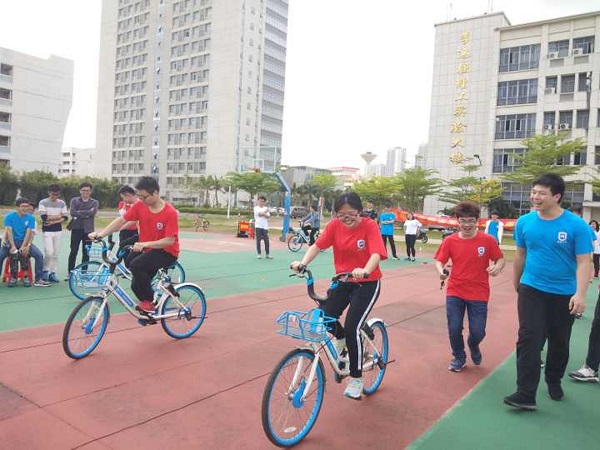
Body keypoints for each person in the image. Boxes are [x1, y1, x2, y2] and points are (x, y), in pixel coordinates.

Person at [504, 173, 591, 411]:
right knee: (528, 338)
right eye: (533, 192)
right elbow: (520, 254)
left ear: (557, 196)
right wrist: (517, 282)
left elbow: (584, 261)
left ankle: (553, 379)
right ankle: (525, 393)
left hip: (564, 293)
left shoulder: (576, 226)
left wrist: (580, 294)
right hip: (532, 288)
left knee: (559, 341)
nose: (535, 197)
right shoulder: (525, 222)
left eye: (542, 193)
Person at [291, 192, 387, 400]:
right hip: (344, 280)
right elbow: (317, 245)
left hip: (367, 283)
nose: (346, 218)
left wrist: (365, 270)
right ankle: (341, 338)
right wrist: (303, 263)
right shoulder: (335, 226)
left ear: (359, 211)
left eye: (351, 213)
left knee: (352, 326)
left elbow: (376, 254)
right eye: (341, 214)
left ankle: (356, 378)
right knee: (324, 316)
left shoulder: (369, 226)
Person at [89, 176, 179, 313]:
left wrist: (145, 244)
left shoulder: (169, 212)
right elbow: (121, 220)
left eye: (144, 197)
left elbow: (170, 240)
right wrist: (101, 234)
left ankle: (150, 303)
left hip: (167, 252)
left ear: (155, 192)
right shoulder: (140, 205)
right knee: (134, 281)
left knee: (136, 265)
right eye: (139, 197)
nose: (141, 200)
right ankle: (154, 302)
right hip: (149, 249)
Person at [435, 201, 505, 372]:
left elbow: (500, 259)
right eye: (463, 221)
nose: (467, 225)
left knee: (478, 331)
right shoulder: (450, 241)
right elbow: (439, 261)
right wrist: (441, 271)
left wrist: (497, 267)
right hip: (455, 290)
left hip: (479, 292)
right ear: (457, 221)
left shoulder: (487, 240)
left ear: (477, 221)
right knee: (454, 327)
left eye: (471, 221)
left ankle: (473, 344)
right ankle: (459, 357)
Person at [0, 198, 51, 287]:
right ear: (17, 207)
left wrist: (25, 246)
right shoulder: (9, 217)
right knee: (0, 256)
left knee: (39, 255)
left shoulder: (30, 218)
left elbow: (29, 233)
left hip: (24, 241)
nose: (25, 208)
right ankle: (12, 277)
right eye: (23, 206)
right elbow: (9, 232)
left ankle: (39, 279)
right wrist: (12, 246)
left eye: (27, 206)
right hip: (11, 241)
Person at [66, 182, 99, 280]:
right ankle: (70, 272)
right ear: (80, 191)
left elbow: (92, 213)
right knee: (73, 251)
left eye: (88, 190)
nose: (86, 192)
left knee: (86, 252)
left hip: (89, 231)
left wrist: (79, 212)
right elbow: (73, 213)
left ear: (91, 191)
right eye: (84, 190)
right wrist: (87, 213)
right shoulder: (74, 200)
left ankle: (84, 272)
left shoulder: (94, 202)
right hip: (76, 229)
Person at [38, 184, 69, 283]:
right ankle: (45, 271)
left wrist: (54, 221)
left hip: (58, 230)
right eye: (52, 194)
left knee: (55, 253)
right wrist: (58, 216)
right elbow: (44, 217)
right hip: (47, 231)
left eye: (56, 194)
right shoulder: (42, 202)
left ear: (59, 194)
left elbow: (65, 217)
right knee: (49, 252)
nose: (54, 196)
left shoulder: (62, 203)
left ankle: (52, 273)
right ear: (49, 193)